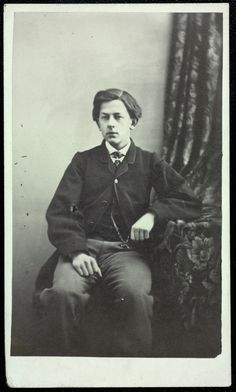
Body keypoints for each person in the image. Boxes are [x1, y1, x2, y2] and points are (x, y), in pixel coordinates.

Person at [37, 88, 202, 356]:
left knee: (135, 297)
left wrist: (153, 214)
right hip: (82, 248)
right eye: (104, 118)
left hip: (127, 252)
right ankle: (62, 370)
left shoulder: (149, 162)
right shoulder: (83, 161)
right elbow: (59, 211)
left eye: (118, 117)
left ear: (132, 122)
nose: (111, 123)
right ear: (98, 123)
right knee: (62, 295)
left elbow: (189, 201)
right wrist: (76, 251)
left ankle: (133, 374)